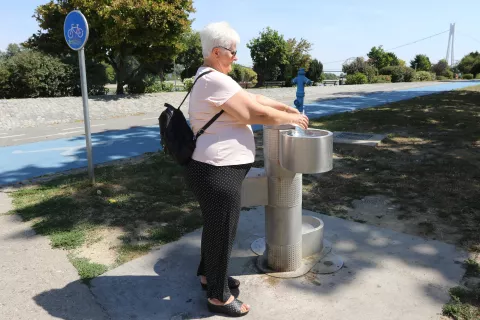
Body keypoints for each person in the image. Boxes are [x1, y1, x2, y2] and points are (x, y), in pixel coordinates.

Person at [186, 21, 309, 317]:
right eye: (232, 52)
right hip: (217, 170)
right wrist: (288, 120)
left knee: (216, 227)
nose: (236, 57)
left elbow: (254, 99)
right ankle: (218, 296)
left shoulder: (212, 77)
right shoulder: (214, 80)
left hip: (214, 168)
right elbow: (252, 112)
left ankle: (209, 274)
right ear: (217, 52)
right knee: (223, 229)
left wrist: (286, 109)